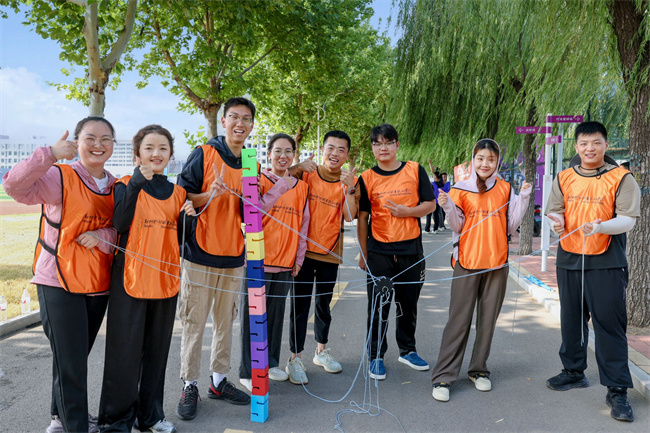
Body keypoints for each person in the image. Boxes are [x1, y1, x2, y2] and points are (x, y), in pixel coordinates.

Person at [175, 97, 295, 420]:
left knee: (225, 322)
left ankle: (218, 381)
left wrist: (274, 191)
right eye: (234, 117)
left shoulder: (251, 163)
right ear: (224, 120)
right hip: (199, 253)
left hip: (233, 255)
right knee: (194, 322)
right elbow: (181, 197)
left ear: (252, 125)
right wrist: (208, 194)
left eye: (246, 119)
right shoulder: (204, 153)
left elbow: (249, 212)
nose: (240, 123)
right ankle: (189, 384)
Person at [3, 117, 117, 433]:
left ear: (113, 144)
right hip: (58, 280)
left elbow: (121, 231)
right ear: (76, 143)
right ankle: (75, 425)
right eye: (90, 138)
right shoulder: (60, 177)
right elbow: (13, 186)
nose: (98, 145)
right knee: (71, 360)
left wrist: (102, 237)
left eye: (105, 139)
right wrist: (50, 153)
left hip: (96, 283)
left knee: (74, 358)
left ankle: (60, 418)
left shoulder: (116, 186)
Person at [98, 125, 196, 433]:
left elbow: (181, 240)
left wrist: (189, 219)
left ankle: (151, 416)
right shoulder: (125, 184)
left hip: (165, 281)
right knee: (124, 354)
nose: (156, 153)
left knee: (157, 353)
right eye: (149, 147)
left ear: (171, 154)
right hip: (129, 279)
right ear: (137, 153)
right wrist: (139, 182)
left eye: (163, 148)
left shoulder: (179, 193)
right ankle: (116, 421)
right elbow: (120, 222)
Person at [545, 121, 640, 422]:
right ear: (576, 146)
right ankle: (573, 371)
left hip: (607, 261)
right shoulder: (564, 177)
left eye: (596, 143)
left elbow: (627, 220)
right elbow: (554, 210)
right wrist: (556, 222)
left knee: (609, 325)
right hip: (569, 257)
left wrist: (600, 227)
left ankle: (617, 390)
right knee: (571, 319)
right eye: (584, 143)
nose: (590, 148)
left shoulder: (621, 177)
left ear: (605, 145)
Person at [430, 139, 531, 402]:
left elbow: (511, 226)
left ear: (497, 162)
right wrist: (447, 206)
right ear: (473, 160)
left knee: (487, 321)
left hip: (497, 263)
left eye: (490, 159)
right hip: (467, 262)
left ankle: (479, 370)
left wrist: (524, 198)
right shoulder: (460, 189)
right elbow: (457, 226)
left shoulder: (505, 188)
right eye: (480, 158)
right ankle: (444, 376)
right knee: (458, 320)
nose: (485, 164)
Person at [357, 123, 436, 380]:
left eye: (388, 143)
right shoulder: (366, 178)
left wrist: (408, 212)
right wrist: (363, 253)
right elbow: (362, 217)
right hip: (379, 251)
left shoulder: (415, 170)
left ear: (397, 145)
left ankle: (407, 350)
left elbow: (430, 204)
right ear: (372, 148)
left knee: (407, 305)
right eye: (377, 144)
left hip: (410, 250)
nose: (383, 148)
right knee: (378, 306)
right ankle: (376, 356)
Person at [284, 130, 358, 385]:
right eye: (331, 148)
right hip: (302, 252)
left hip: (330, 253)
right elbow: (278, 178)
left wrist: (350, 188)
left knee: (323, 305)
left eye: (341, 149)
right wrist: (297, 167)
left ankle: (321, 352)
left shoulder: (349, 180)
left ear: (347, 155)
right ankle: (295, 358)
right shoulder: (307, 173)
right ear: (322, 149)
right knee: (300, 306)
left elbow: (350, 216)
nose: (335, 153)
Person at [239, 133, 310, 390]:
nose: (283, 156)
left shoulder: (301, 187)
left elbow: (303, 225)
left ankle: (271, 363)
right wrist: (280, 186)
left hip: (286, 262)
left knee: (276, 315)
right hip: (258, 261)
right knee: (252, 318)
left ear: (294, 155)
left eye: (288, 151)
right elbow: (253, 212)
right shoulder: (258, 179)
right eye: (278, 151)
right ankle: (248, 371)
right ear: (268, 154)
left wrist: (299, 258)